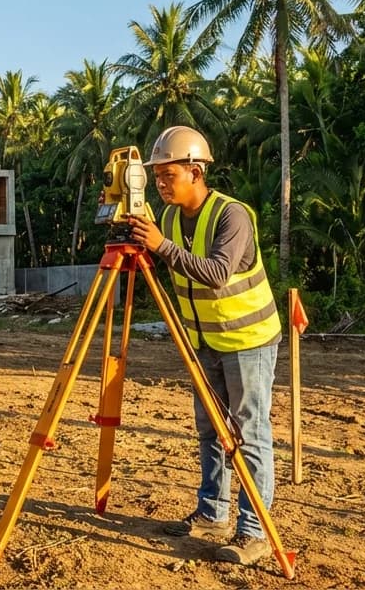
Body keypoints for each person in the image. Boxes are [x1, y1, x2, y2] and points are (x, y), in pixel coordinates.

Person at [122, 125, 281, 567]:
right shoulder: (168, 219)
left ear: (195, 171)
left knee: (249, 433)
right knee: (210, 430)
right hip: (203, 340)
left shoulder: (233, 216)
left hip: (248, 340)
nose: (159, 183)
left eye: (167, 175)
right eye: (155, 177)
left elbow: (215, 272)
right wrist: (143, 241)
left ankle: (254, 531)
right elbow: (169, 256)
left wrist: (160, 245)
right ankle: (213, 513)